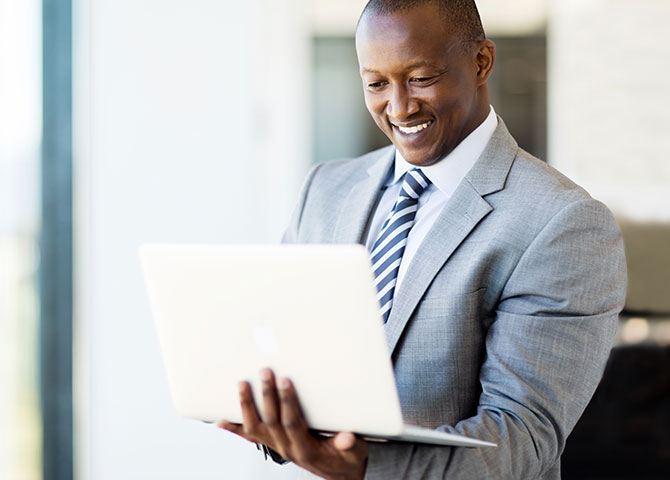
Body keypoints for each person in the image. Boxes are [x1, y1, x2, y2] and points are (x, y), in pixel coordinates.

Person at [218, 1, 627, 478]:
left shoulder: (563, 224)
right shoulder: (325, 191)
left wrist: (368, 467)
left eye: (421, 78)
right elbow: (285, 353)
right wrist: (275, 418)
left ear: (481, 62)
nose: (399, 107)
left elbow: (521, 437)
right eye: (376, 83)